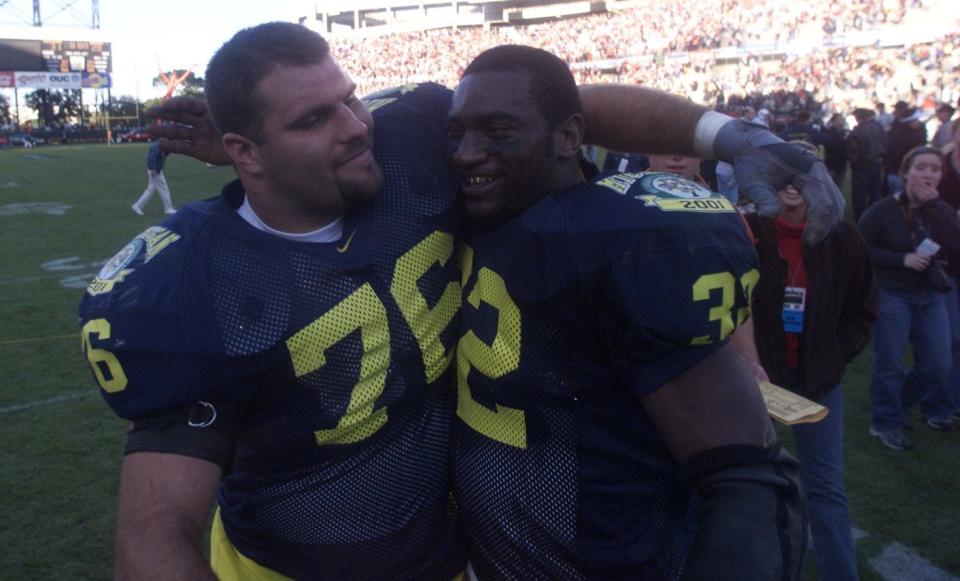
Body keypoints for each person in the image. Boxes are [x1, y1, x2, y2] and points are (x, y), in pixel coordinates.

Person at [87, 23, 844, 579]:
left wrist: (726, 133)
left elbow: (559, 105)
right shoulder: (196, 280)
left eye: (350, 101)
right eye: (314, 120)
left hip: (453, 561)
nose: (356, 129)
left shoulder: (416, 143)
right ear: (245, 151)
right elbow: (155, 530)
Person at [447, 44, 806, 580]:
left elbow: (749, 478)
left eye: (497, 131)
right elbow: (551, 106)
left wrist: (730, 135)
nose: (465, 153)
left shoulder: (629, 243)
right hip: (486, 555)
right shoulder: (477, 201)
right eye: (457, 134)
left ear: (570, 138)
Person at [741, 141, 876, 581]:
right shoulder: (748, 232)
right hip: (759, 383)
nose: (792, 184)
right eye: (782, 172)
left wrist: (836, 356)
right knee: (753, 489)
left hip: (819, 382)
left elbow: (863, 307)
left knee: (827, 491)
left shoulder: (842, 237)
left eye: (803, 171)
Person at [859, 146, 960, 450]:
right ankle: (885, 422)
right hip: (893, 293)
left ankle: (898, 403)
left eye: (935, 169)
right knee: (889, 361)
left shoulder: (940, 210)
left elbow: (955, 243)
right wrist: (901, 259)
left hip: (930, 294)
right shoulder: (883, 210)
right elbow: (860, 248)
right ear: (905, 173)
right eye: (920, 168)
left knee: (938, 364)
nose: (927, 174)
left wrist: (938, 206)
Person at [846, 108, 886, 221]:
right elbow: (885, 144)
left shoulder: (856, 132)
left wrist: (853, 162)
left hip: (862, 166)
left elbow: (853, 153)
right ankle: (875, 219)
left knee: (859, 197)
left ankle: (861, 221)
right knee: (875, 194)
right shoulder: (878, 128)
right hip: (877, 164)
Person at [131, 140, 176, 215]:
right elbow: (151, 157)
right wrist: (153, 168)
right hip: (155, 171)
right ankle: (168, 208)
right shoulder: (156, 147)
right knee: (164, 189)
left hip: (156, 170)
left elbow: (163, 154)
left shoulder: (160, 146)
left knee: (150, 190)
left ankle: (137, 205)